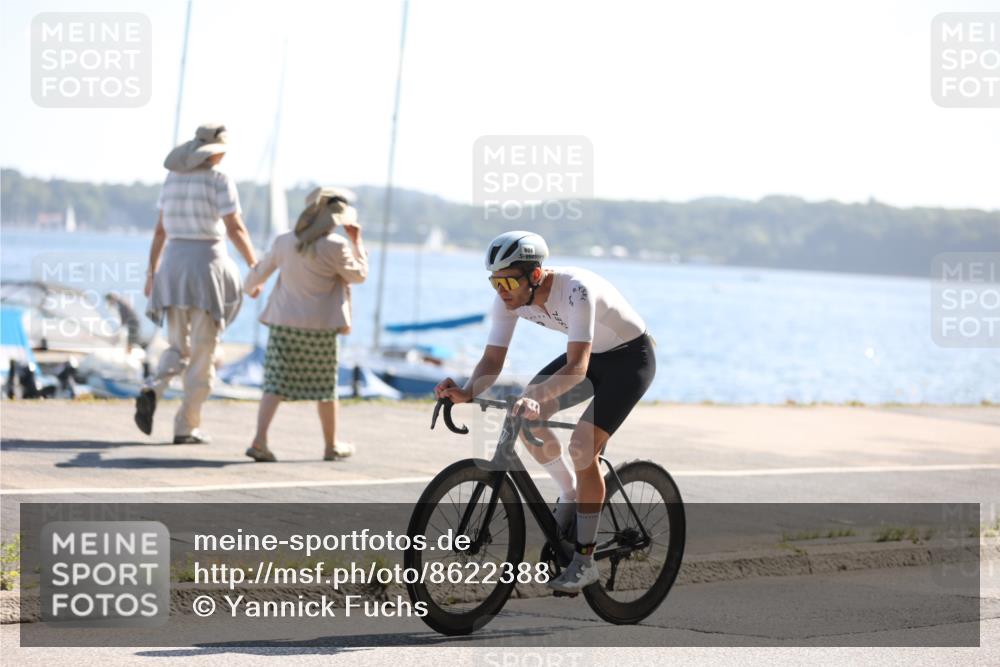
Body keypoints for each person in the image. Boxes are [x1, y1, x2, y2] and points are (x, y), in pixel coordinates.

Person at [433, 231, 655, 593]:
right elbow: (492, 359)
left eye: (507, 281)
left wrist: (536, 397)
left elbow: (578, 367)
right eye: (494, 282)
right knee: (522, 419)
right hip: (592, 356)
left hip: (630, 360)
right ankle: (570, 494)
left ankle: (585, 561)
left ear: (535, 276)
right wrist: (467, 391)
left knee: (582, 447)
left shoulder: (575, 290)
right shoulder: (508, 300)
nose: (500, 290)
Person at [135, 123, 258, 443]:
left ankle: (154, 387)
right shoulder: (220, 180)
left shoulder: (172, 178)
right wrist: (255, 267)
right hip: (207, 269)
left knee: (178, 346)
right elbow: (235, 228)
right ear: (216, 152)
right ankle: (186, 427)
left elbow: (160, 231)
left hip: (173, 268)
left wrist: (151, 274)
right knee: (204, 351)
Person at [242, 186, 368, 462]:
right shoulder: (336, 246)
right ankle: (330, 445)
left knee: (274, 383)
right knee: (325, 388)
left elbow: (260, 271)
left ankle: (260, 440)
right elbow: (358, 276)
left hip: (283, 323)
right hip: (321, 328)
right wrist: (357, 242)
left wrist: (251, 287)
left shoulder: (285, 241)